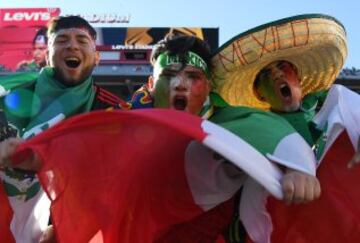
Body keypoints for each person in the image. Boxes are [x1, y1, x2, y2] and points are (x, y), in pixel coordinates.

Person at [129, 33, 320, 242]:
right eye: (169, 74)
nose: (180, 84)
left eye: (193, 76)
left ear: (209, 87)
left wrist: (296, 168)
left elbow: (270, 132)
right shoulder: (120, 128)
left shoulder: (233, 124)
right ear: (151, 84)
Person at [210, 14, 356, 242]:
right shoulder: (250, 125)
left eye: (283, 67)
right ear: (260, 94)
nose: (277, 73)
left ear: (298, 78)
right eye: (266, 75)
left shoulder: (337, 104)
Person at [0, 15, 127, 243]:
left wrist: (59, 231)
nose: (72, 45)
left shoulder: (112, 111)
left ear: (97, 57)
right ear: (47, 55)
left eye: (82, 40)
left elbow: (116, 187)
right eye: (61, 40)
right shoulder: (8, 95)